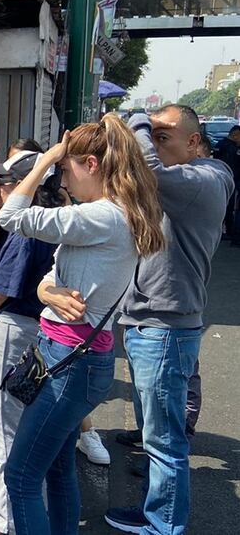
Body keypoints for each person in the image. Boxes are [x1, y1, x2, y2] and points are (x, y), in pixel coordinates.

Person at [0, 115, 165, 535]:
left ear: (91, 164)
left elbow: (11, 216)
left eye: (65, 169)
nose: (63, 181)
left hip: (68, 361)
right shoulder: (113, 215)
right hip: (79, 357)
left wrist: (40, 162)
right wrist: (48, 292)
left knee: (20, 477)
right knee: (56, 470)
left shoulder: (102, 217)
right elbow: (51, 275)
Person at [103, 106, 233, 535]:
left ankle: (163, 525)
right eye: (152, 135)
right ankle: (157, 512)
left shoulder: (207, 180)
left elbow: (149, 170)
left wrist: (137, 121)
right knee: (155, 436)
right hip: (150, 323)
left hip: (166, 328)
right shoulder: (184, 183)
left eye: (163, 135)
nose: (154, 144)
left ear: (194, 141)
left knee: (164, 442)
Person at [0, 149, 62, 535]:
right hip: (48, 331)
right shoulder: (62, 215)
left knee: (7, 430)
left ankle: (5, 521)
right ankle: (23, 512)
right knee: (32, 430)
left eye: (6, 181)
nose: (0, 187)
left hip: (16, 327)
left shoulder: (28, 225)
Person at [212, 125, 240, 244]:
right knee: (228, 206)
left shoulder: (221, 145)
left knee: (227, 205)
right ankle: (229, 232)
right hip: (230, 179)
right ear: (235, 135)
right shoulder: (230, 147)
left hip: (224, 179)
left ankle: (228, 231)